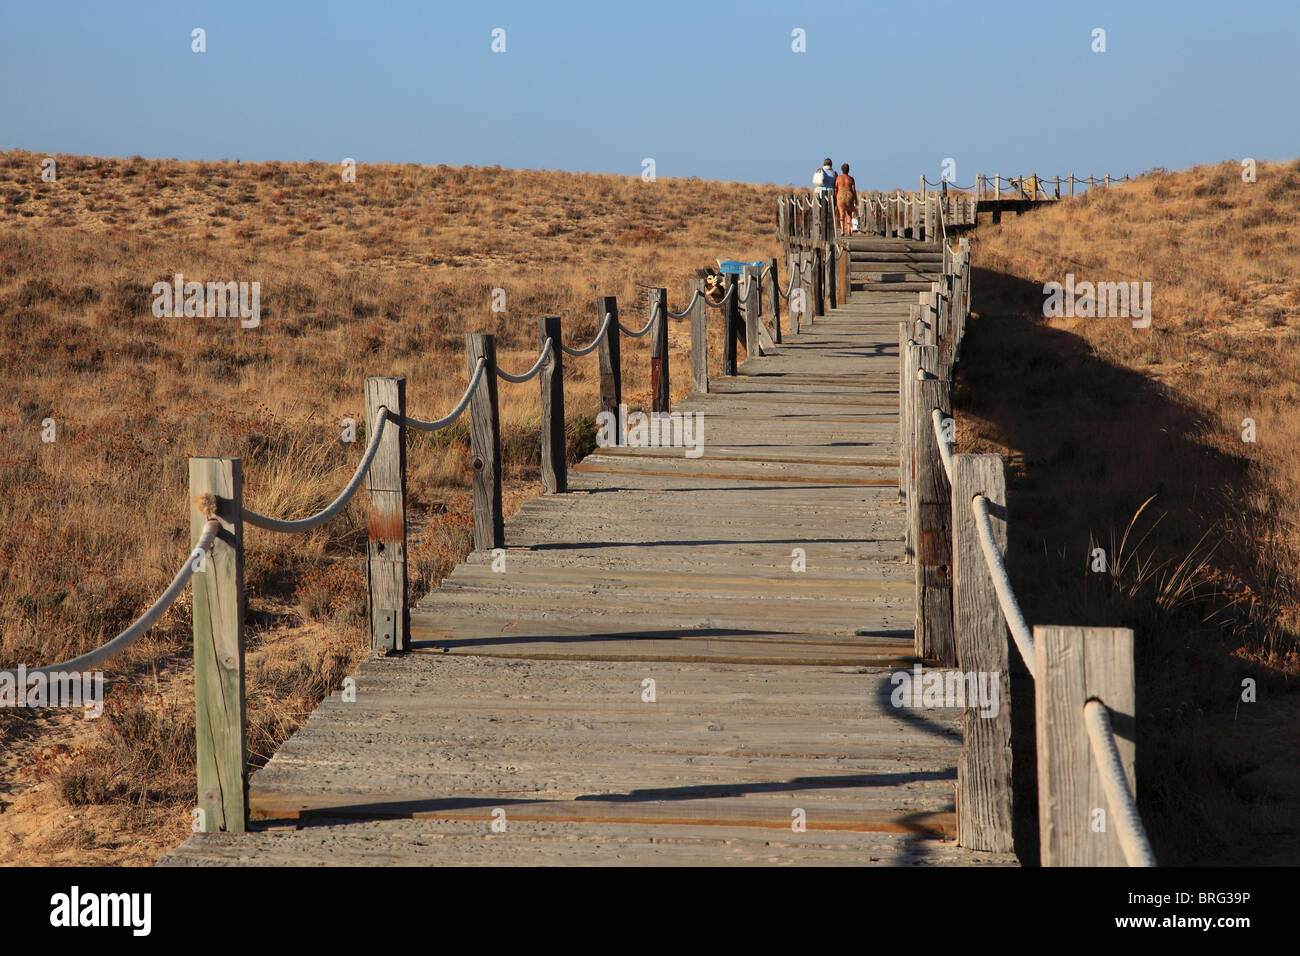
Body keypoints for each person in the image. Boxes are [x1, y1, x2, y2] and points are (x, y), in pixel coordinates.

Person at [835, 162, 857, 236]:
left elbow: (836, 188)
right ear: (848, 170)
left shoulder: (838, 178)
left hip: (840, 195)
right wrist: (855, 199)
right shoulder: (851, 179)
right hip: (849, 195)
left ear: (842, 170)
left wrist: (835, 197)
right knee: (849, 213)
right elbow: (853, 190)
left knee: (841, 213)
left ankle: (842, 231)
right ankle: (849, 231)